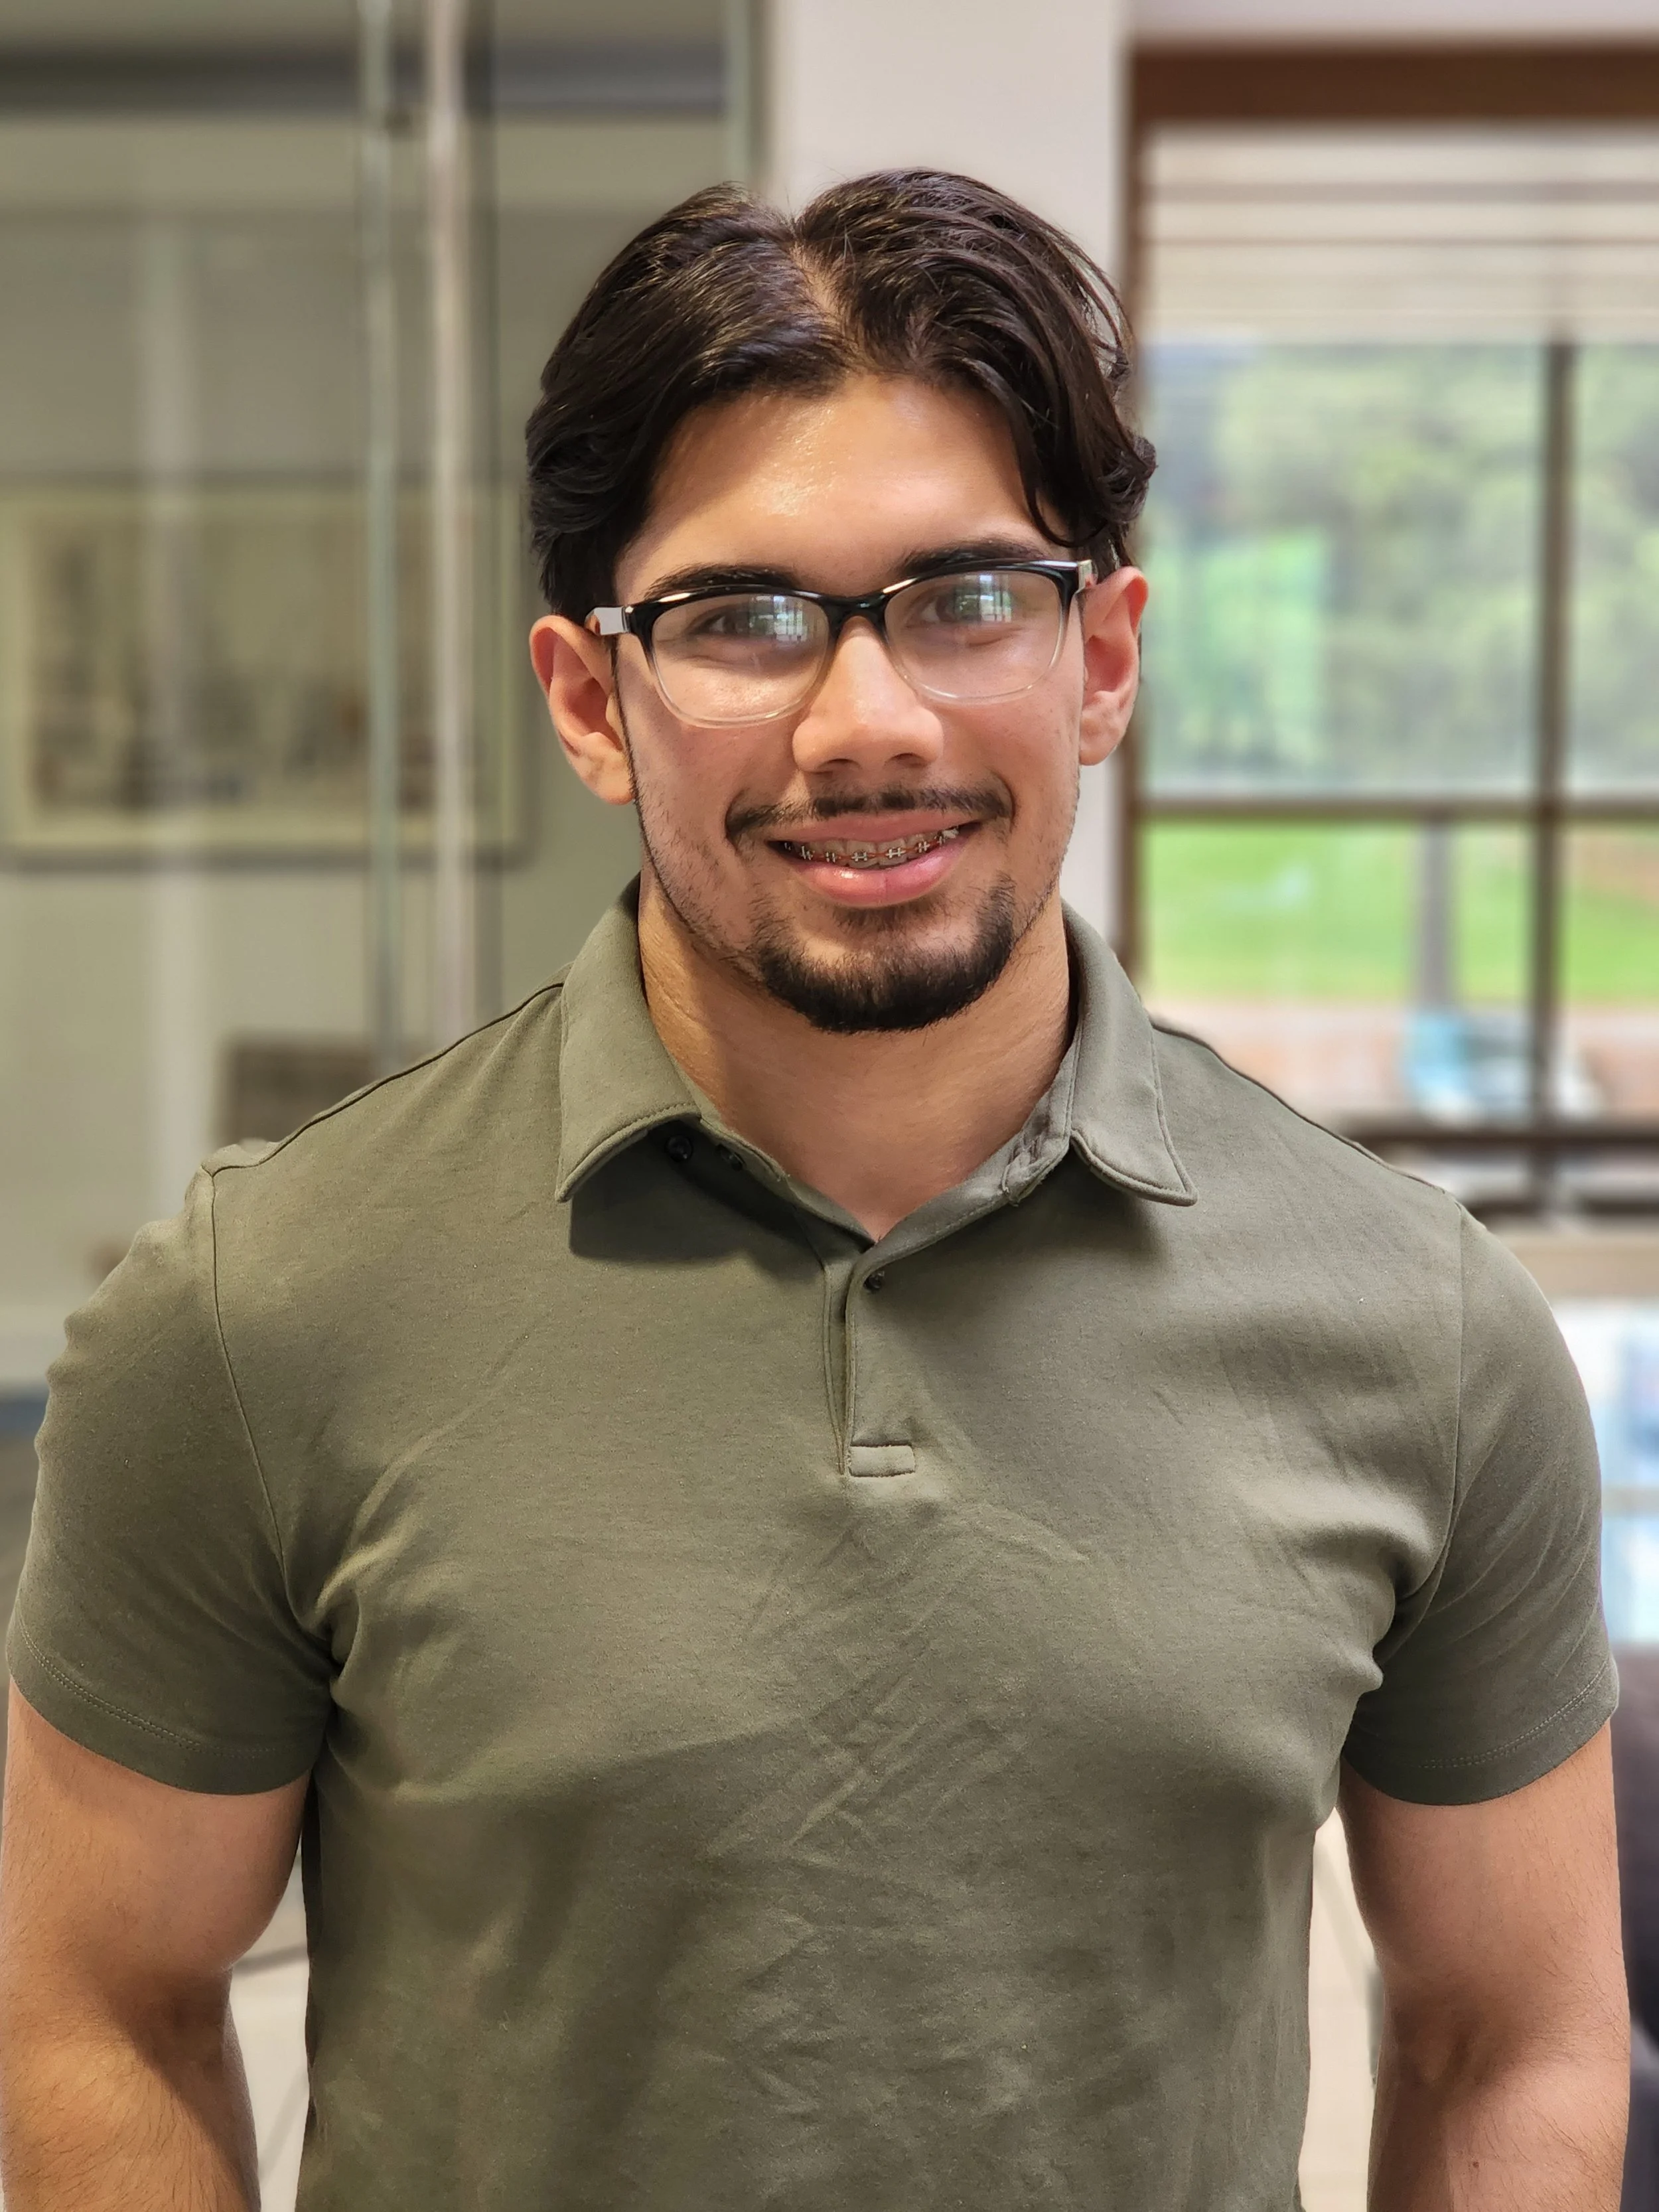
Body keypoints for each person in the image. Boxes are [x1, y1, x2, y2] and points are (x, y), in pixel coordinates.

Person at [0, 170, 1627, 2212]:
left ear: (1100, 657)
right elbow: (98, 2005)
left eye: (965, 597)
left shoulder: (1422, 1326)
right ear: (590, 699)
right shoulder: (254, 1312)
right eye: (741, 619)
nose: (867, 723)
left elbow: (1509, 2034)